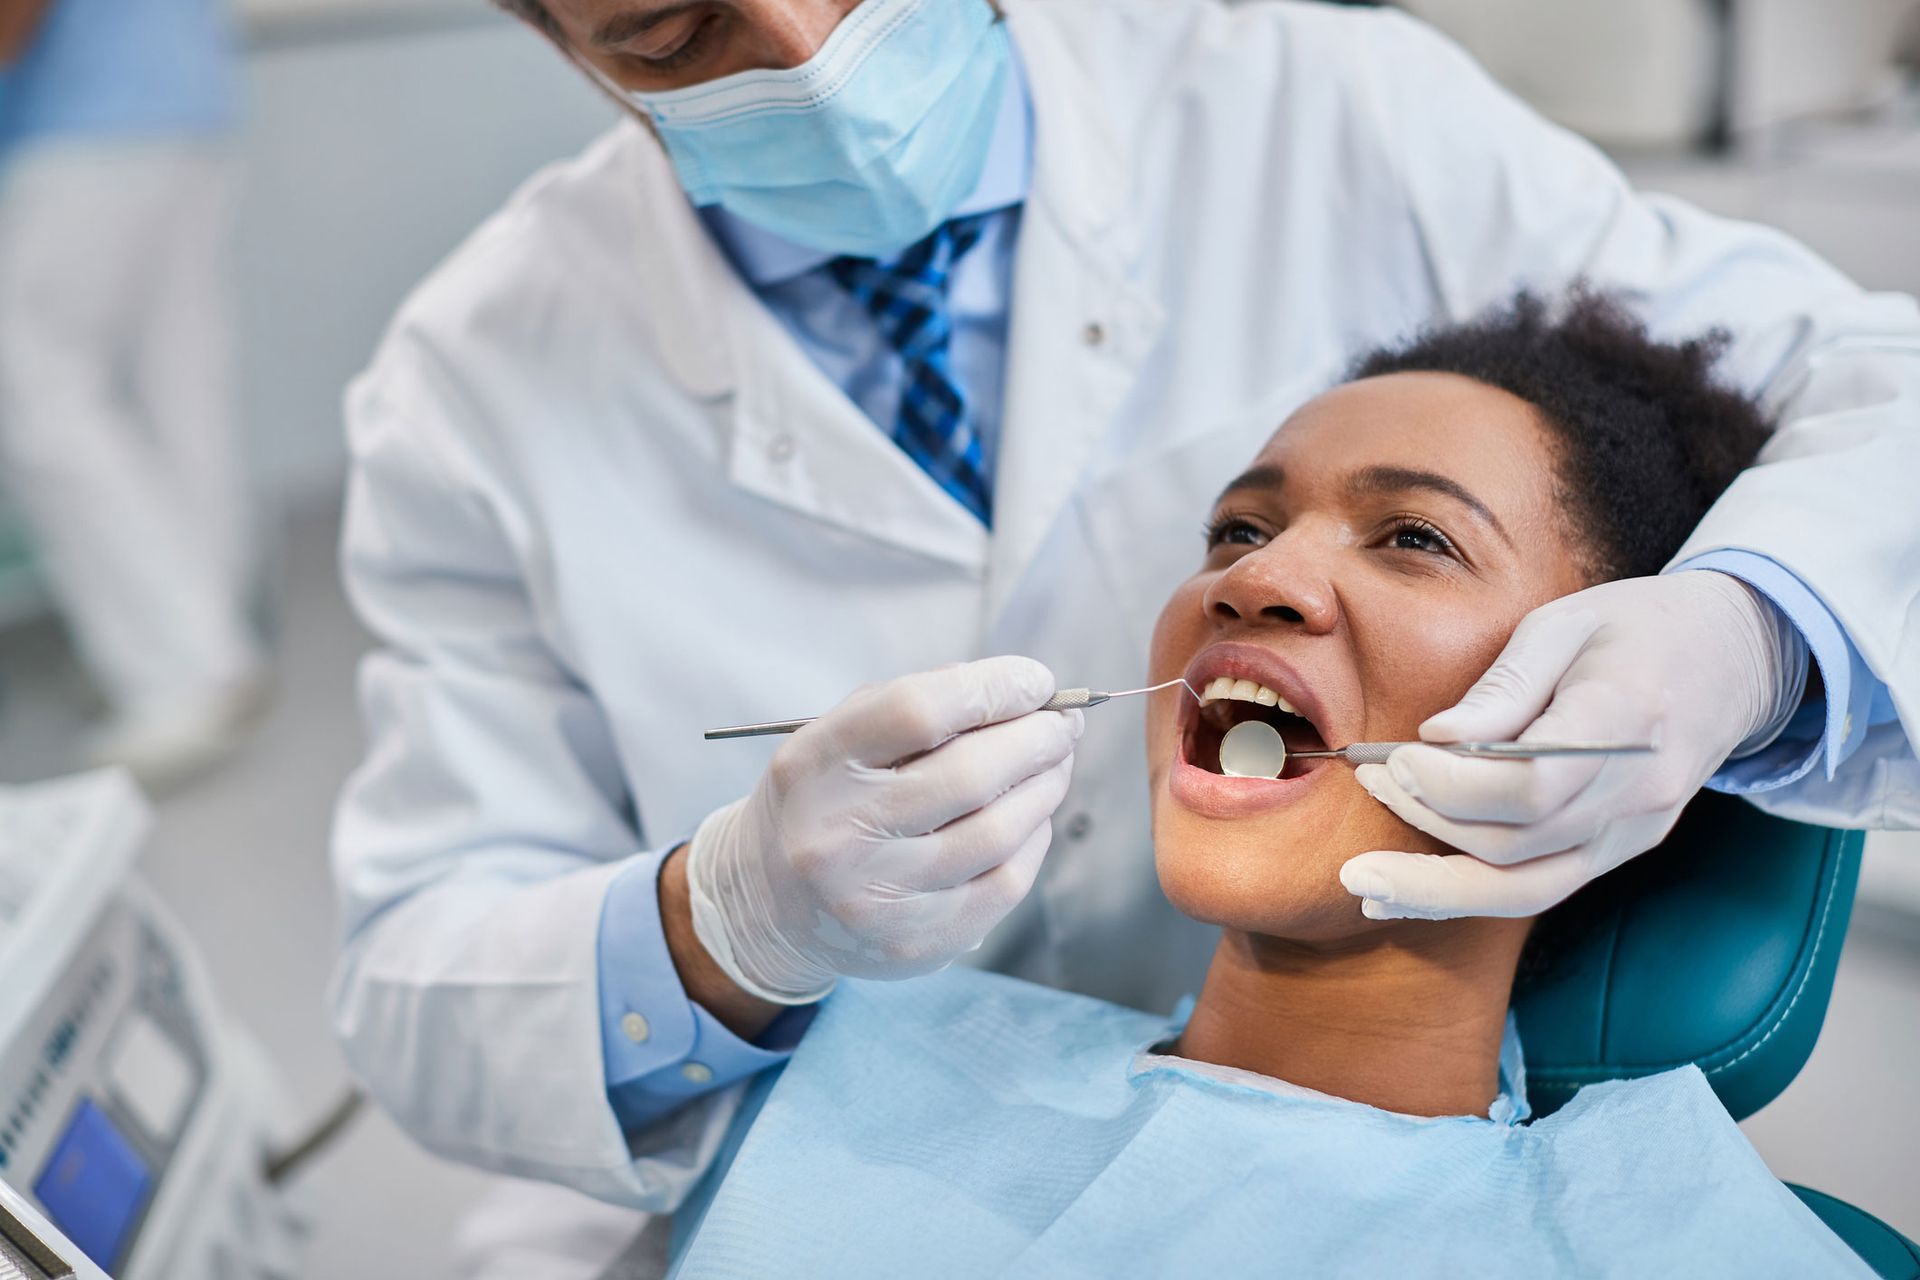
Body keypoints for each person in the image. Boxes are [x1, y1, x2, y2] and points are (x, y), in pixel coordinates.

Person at [328, 0, 1918, 1269]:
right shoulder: (467, 384)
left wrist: (1750, 636)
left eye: (1413, 534)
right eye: (677, 32)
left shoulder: (1329, 109)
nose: (811, 54)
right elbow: (417, 980)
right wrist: (719, 926)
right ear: (555, 39)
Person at [648, 293, 1870, 1276]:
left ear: (1593, 695)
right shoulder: (853, 1055)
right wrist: (724, 919)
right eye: (1237, 529)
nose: (1253, 579)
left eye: (1414, 537)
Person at [0, 0, 265, 786]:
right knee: (176, 386)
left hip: (86, 120)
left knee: (31, 381)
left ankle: (180, 669)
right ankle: (216, 641)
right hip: (185, 95)